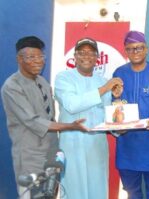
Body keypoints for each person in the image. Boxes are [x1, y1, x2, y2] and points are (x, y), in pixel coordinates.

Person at [1, 36, 88, 199]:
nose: (38, 61)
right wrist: (70, 126)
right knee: (33, 195)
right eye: (32, 57)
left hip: (51, 154)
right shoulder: (12, 86)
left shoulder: (42, 81)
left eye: (41, 56)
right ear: (19, 59)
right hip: (29, 156)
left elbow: (50, 116)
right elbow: (33, 121)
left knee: (50, 195)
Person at [54, 37, 123, 199]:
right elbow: (72, 104)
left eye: (91, 53)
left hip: (96, 147)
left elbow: (109, 117)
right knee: (72, 191)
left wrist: (120, 119)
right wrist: (105, 88)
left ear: (97, 58)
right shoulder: (63, 78)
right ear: (75, 57)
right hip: (72, 145)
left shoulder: (102, 81)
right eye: (82, 52)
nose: (87, 56)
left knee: (97, 191)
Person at [112, 31, 149, 199]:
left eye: (139, 48)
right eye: (130, 49)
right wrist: (117, 127)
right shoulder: (119, 74)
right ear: (125, 51)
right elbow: (114, 103)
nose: (135, 52)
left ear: (147, 49)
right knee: (132, 193)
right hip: (127, 146)